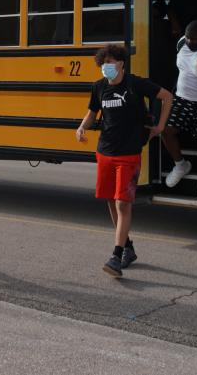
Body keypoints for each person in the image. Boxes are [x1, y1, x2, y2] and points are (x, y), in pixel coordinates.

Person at [76, 43, 172, 278]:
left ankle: (116, 256)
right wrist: (81, 127)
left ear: (121, 63)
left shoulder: (135, 84)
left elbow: (167, 96)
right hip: (105, 152)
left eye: (109, 63)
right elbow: (92, 113)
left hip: (129, 154)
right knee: (110, 200)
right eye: (103, 63)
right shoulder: (99, 87)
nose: (105, 67)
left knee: (122, 203)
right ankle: (128, 247)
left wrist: (160, 126)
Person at [162, 21, 197, 206]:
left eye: (196, 40)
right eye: (189, 38)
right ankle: (180, 164)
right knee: (166, 131)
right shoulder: (181, 43)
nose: (191, 42)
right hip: (182, 98)